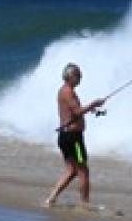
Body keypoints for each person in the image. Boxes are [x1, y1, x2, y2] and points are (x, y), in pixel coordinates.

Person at [44, 62, 106, 208]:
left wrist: (93, 110)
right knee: (83, 169)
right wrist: (94, 104)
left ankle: (51, 198)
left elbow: (73, 112)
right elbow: (77, 112)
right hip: (73, 139)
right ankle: (85, 203)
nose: (80, 77)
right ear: (70, 76)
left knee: (72, 171)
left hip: (66, 137)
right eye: (78, 75)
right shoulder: (68, 92)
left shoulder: (65, 91)